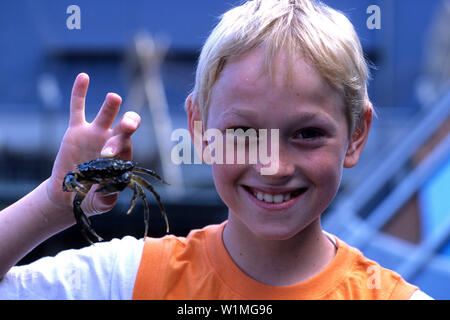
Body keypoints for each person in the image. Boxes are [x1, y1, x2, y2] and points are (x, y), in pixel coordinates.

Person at [0, 0, 432, 299]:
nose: (274, 166)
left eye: (307, 134)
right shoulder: (130, 280)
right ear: (199, 128)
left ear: (357, 134)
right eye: (243, 132)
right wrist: (53, 203)